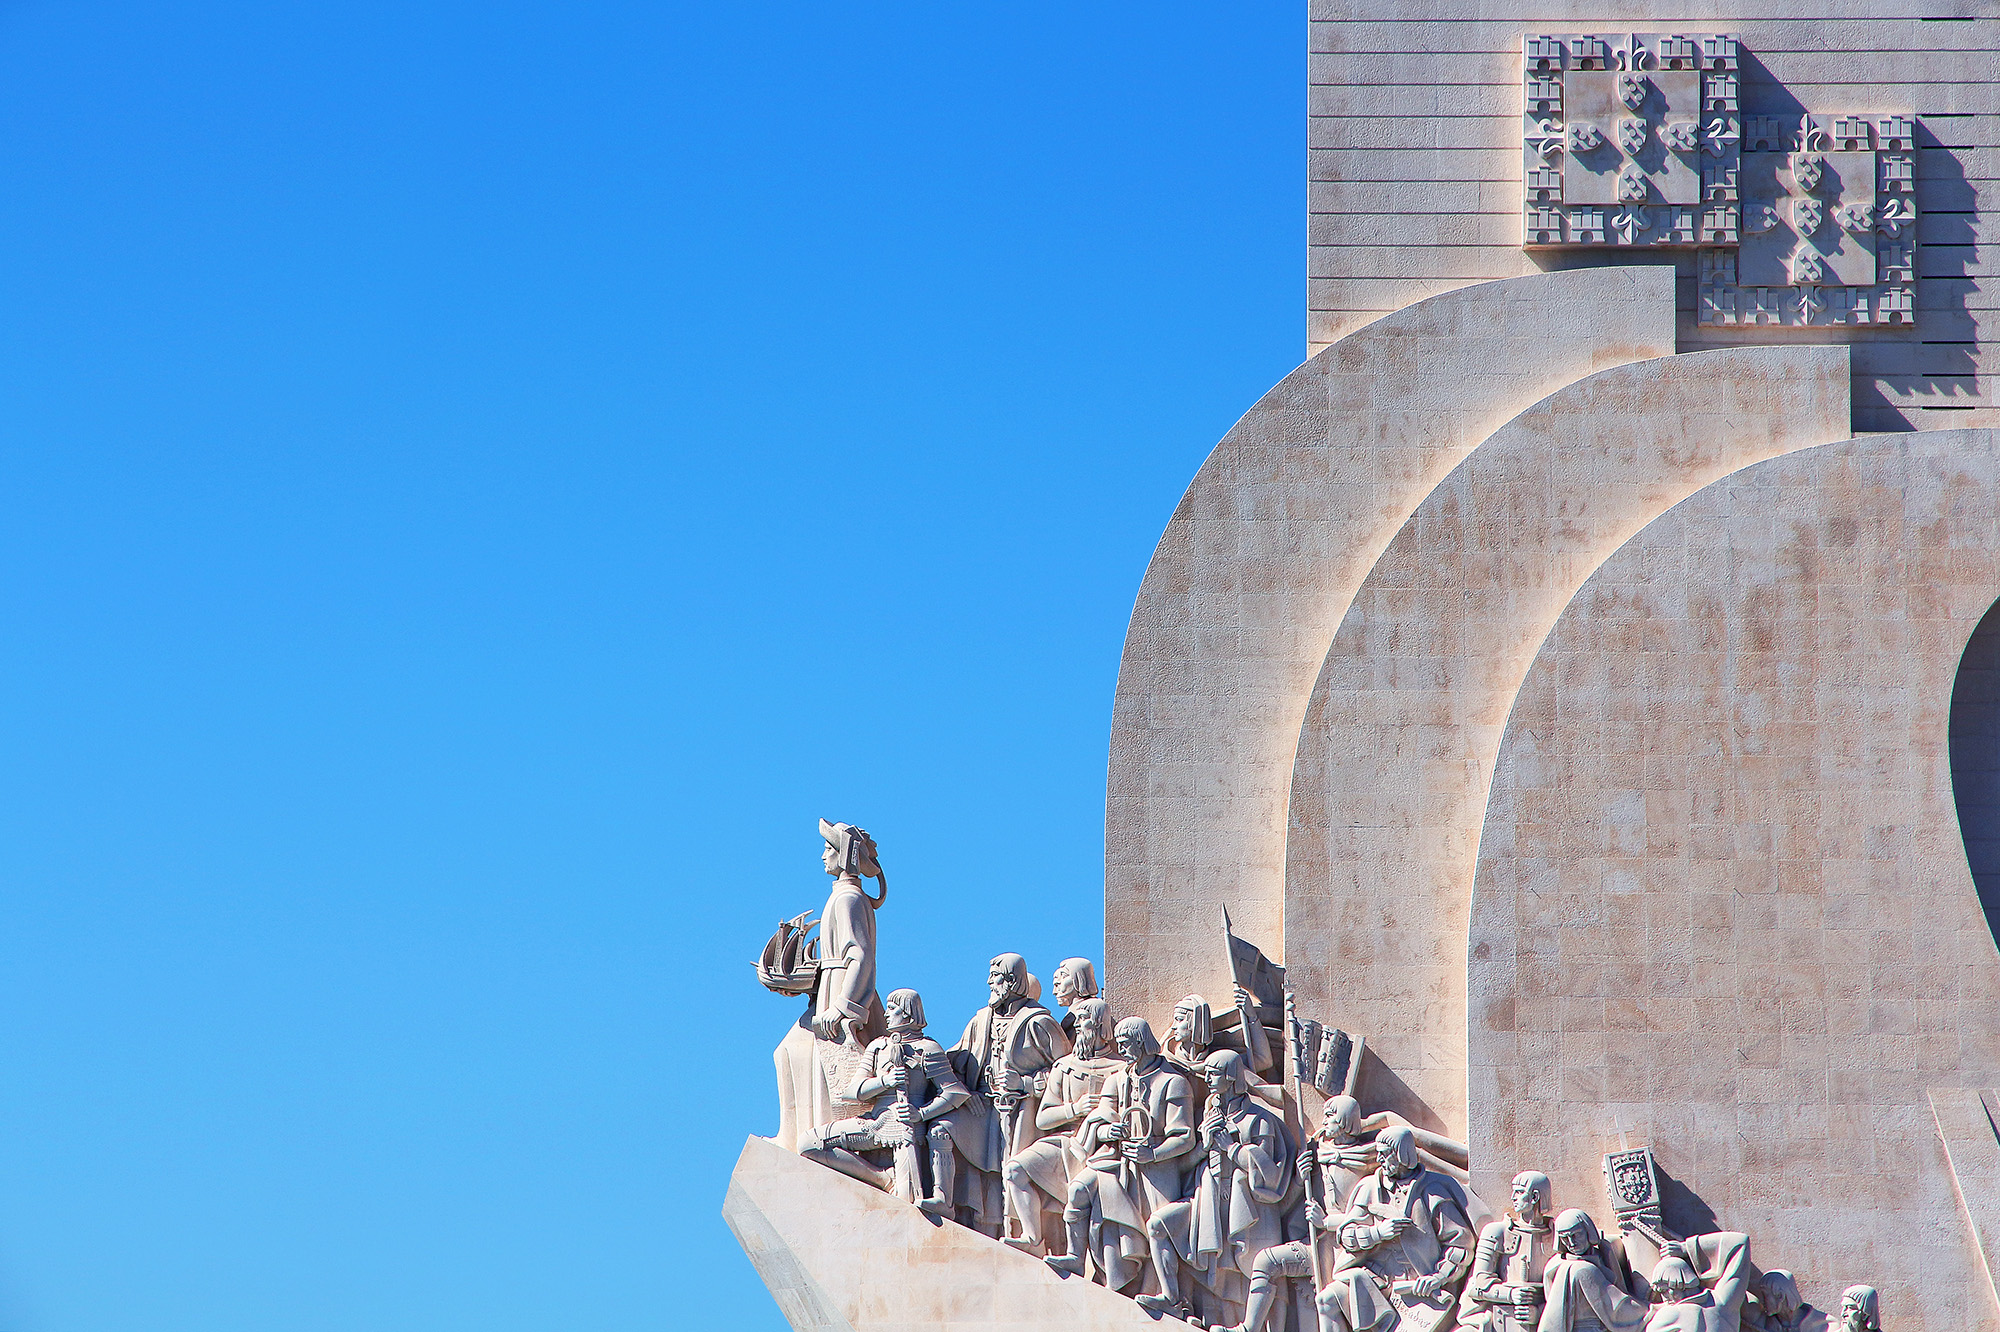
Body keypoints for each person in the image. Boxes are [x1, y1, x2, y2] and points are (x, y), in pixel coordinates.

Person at [1137, 1050, 1296, 1328]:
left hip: (1248, 1210)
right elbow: (1185, 1165)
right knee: (1159, 1225)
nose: (1207, 1078)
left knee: (1250, 1271)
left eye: (1214, 1072)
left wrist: (1231, 1148)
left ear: (1231, 1077)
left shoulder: (1258, 1121)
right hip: (1206, 1202)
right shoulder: (1207, 1116)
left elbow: (1269, 1175)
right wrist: (1204, 1146)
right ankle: (1172, 1298)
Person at [1046, 1016, 1196, 1291]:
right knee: (1079, 1188)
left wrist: (1151, 1154)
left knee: (1156, 1232)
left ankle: (1170, 1296)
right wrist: (1107, 1133)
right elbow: (1101, 1120)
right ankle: (1075, 1257)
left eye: (1126, 1044)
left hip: (1156, 1171)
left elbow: (1185, 1137)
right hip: (1117, 1163)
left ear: (1141, 1043)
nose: (1121, 1049)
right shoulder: (1116, 1080)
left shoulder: (1173, 1083)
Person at [1211, 1094, 1377, 1332]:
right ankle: (1248, 1328)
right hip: (1314, 1246)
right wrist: (1299, 1180)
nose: (1324, 1121)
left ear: (1344, 1121)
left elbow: (1365, 1219)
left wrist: (1326, 1221)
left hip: (1346, 1251)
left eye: (1330, 1116)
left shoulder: (1365, 1161)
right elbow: (1286, 1207)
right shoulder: (1317, 1155)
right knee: (1265, 1261)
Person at [930, 953, 1071, 1233]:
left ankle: (1019, 1233)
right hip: (981, 1108)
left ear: (1010, 981)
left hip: (1022, 1111)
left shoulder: (1038, 1022)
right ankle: (942, 1199)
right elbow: (957, 1058)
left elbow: (1066, 1073)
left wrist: (1025, 1083)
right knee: (940, 1129)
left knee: (1010, 1173)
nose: (989, 982)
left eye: (994, 977)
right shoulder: (981, 1019)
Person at [772, 820, 889, 1151]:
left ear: (845, 856)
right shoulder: (843, 897)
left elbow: (861, 957)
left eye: (829, 848)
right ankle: (792, 1133)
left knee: (812, 1060)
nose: (823, 855)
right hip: (828, 988)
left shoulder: (849, 899)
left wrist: (843, 1008)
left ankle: (815, 1134)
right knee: (787, 1052)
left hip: (843, 994)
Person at [798, 988, 967, 1208]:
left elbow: (954, 1093)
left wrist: (921, 1113)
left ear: (908, 1013)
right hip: (874, 1122)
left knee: (906, 1202)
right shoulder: (878, 1047)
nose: (886, 1014)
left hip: (906, 1128)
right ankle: (884, 1179)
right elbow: (853, 1091)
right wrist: (884, 1081)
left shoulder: (928, 1049)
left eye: (892, 1009)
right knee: (809, 1144)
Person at [1317, 1126, 1476, 1332]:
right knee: (1326, 1300)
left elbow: (1460, 1245)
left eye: (1385, 1154)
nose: (1380, 1159)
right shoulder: (1370, 1187)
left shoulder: (1432, 1191)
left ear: (1402, 1154)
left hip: (1415, 1285)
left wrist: (1437, 1277)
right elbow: (1347, 1235)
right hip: (1373, 1277)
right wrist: (1377, 1233)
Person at [1001, 997, 1124, 1252]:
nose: (1077, 1025)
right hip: (1064, 1143)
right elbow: (1043, 1118)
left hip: (1104, 1148)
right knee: (1015, 1170)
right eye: (1076, 1019)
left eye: (1084, 1019)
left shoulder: (1121, 1069)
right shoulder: (1064, 1066)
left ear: (1101, 1024)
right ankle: (1033, 1238)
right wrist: (1074, 1109)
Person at [1457, 1172, 1556, 1332]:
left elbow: (1567, 1292)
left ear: (1535, 1197)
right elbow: (1477, 1285)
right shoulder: (1496, 1231)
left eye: (1519, 1192)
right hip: (1500, 1318)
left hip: (1544, 1319)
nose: (1513, 1197)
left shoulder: (1557, 1234)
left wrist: (1540, 1312)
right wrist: (1510, 1295)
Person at [1538, 1209, 1648, 1332]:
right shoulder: (1578, 1268)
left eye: (1576, 1235)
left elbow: (1620, 1289)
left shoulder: (1604, 1254)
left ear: (1588, 1231)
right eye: (1565, 1238)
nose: (1571, 1243)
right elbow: (1616, 1309)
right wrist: (1650, 1310)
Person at [1747, 1272, 1826, 1332]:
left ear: (1780, 1296)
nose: (1762, 1300)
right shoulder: (1764, 1323)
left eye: (1764, 1295)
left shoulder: (1824, 1325)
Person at [1051, 958, 1101, 1041]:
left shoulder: (1090, 1012)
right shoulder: (1072, 1014)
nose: (1054, 992)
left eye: (1058, 984)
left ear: (1077, 980)